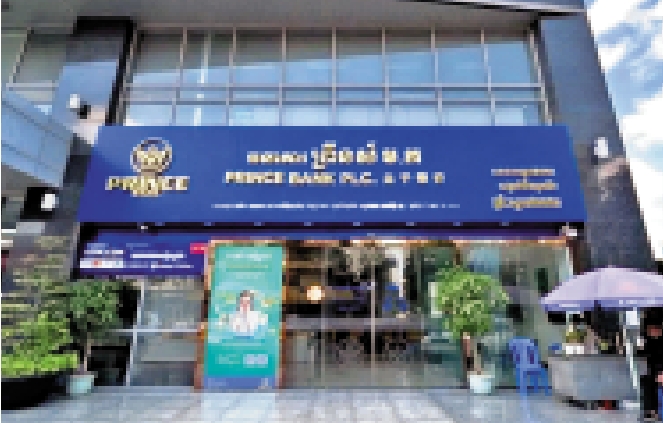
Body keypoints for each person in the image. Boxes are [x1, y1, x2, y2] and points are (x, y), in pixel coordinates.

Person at [639, 310, 663, 421]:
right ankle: (650, 411)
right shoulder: (648, 341)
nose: (650, 331)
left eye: (651, 329)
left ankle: (656, 411)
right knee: (647, 382)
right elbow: (644, 354)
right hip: (650, 370)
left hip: (659, 370)